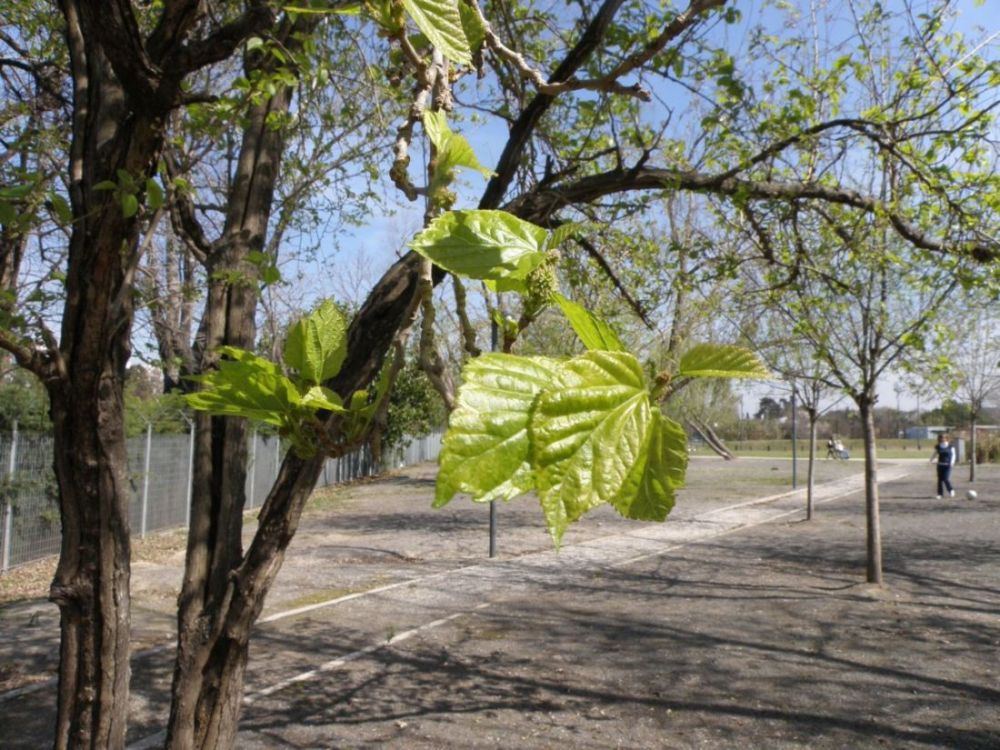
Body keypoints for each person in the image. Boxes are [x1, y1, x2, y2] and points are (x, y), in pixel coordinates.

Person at [929, 433, 956, 499]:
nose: (942, 439)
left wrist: (952, 462)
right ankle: (940, 494)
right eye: (941, 438)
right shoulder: (938, 446)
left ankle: (951, 490)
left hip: (947, 465)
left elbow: (954, 455)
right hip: (940, 465)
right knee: (940, 480)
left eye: (944, 438)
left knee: (946, 479)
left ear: (946, 438)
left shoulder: (950, 446)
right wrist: (931, 460)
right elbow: (934, 454)